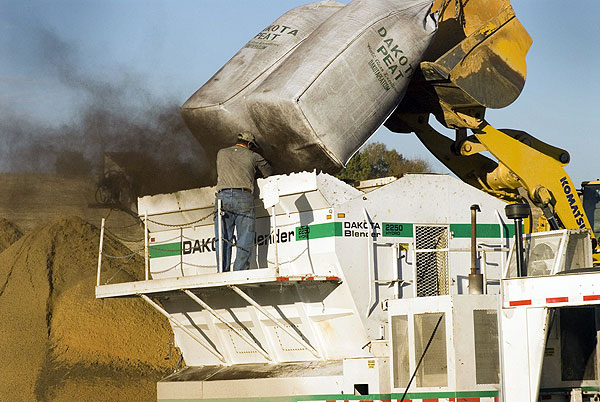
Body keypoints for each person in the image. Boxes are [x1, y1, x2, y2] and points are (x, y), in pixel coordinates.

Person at [214, 131, 272, 271]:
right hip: (243, 197)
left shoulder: (221, 153)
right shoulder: (253, 156)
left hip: (222, 198)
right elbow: (268, 172)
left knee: (222, 239)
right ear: (250, 144)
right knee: (245, 238)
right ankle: (239, 271)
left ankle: (222, 271)